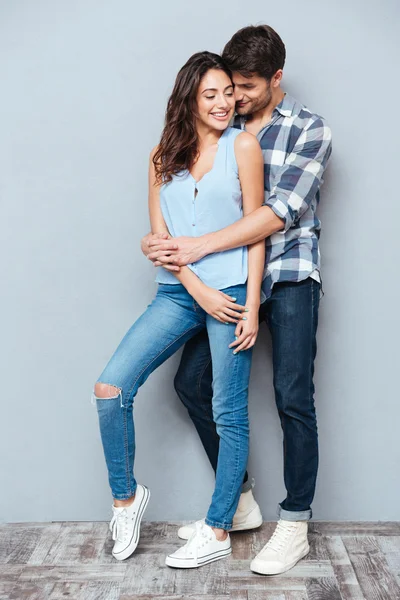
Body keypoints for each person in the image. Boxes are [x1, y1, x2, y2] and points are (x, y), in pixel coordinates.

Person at [142, 24, 333, 575]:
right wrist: (157, 240)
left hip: (290, 274)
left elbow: (277, 213)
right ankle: (241, 501)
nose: (235, 96)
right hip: (227, 281)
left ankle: (294, 521)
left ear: (277, 78)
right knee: (191, 382)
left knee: (293, 395)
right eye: (228, 86)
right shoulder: (222, 128)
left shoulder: (311, 131)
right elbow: (180, 197)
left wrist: (197, 244)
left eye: (246, 86)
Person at [92, 50, 266, 568]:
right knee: (110, 387)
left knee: (228, 412)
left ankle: (217, 529)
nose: (223, 102)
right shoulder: (161, 156)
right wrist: (197, 289)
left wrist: (250, 303)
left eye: (228, 93)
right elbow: (163, 242)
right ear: (188, 99)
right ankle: (126, 499)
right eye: (210, 94)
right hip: (180, 292)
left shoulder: (245, 146)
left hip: (232, 295)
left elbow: (257, 230)